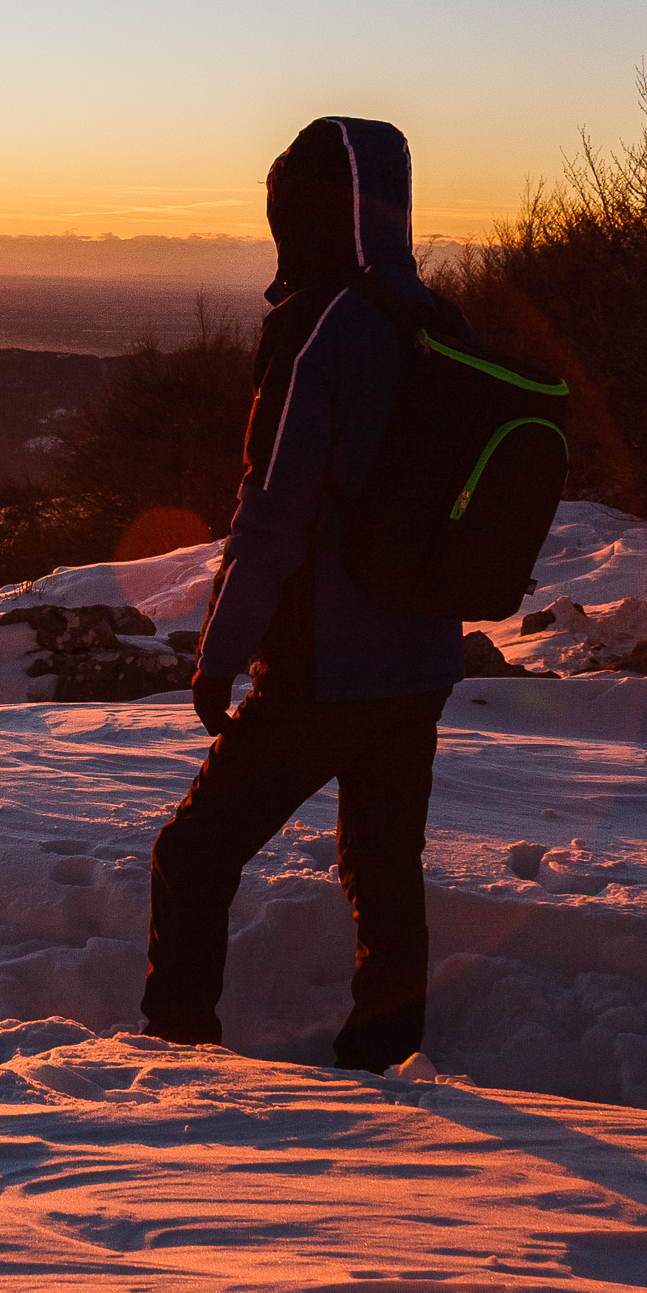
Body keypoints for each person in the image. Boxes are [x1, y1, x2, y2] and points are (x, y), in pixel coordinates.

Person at [140, 116, 466, 1075]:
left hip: (326, 663)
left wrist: (221, 656)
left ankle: (178, 1061)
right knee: (383, 869)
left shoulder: (318, 326)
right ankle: (387, 1064)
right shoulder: (437, 320)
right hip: (422, 661)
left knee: (193, 856)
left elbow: (273, 512)